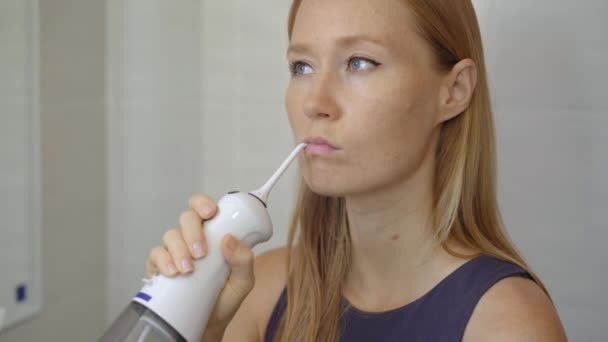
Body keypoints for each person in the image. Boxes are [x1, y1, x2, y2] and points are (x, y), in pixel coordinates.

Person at [145, 0, 567, 341]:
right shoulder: (258, 294)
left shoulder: (508, 325)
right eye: (302, 67)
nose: (315, 102)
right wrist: (198, 323)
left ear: (454, 91)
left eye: (360, 62)